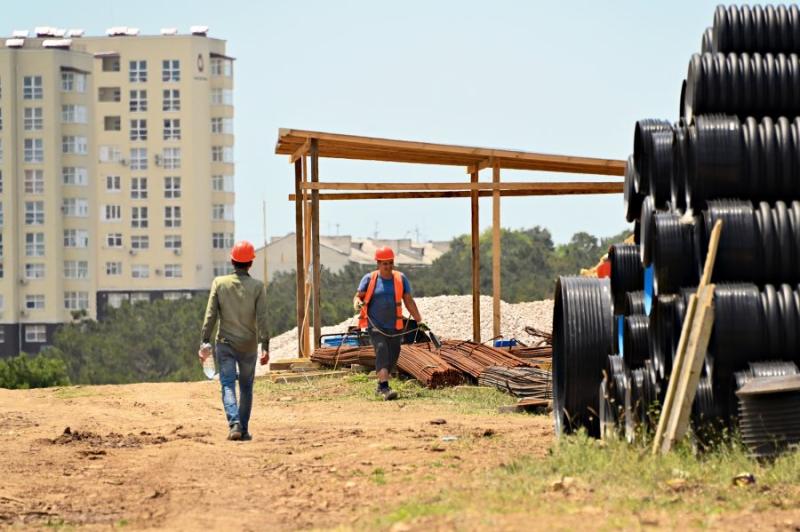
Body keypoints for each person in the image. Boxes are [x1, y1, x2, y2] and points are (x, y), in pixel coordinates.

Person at [200, 240, 270, 441]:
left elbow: (210, 315)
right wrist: (265, 345)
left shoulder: (219, 284)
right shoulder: (258, 287)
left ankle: (235, 424)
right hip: (248, 345)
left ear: (232, 260)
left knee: (228, 384)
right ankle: (244, 429)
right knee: (246, 387)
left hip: (225, 344)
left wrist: (204, 341)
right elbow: (263, 318)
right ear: (251, 263)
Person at [353, 246, 426, 400]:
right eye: (384, 263)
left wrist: (419, 320)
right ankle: (385, 388)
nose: (388, 266)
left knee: (393, 355)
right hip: (376, 325)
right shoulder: (370, 279)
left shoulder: (400, 279)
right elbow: (358, 296)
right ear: (378, 263)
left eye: (390, 263)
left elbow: (408, 301)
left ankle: (381, 385)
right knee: (381, 350)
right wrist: (357, 303)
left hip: (395, 325)